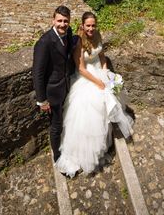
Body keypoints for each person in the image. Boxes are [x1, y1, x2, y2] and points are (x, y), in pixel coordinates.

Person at [54, 11, 134, 177]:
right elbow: (81, 68)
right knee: (91, 110)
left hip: (99, 72)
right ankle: (83, 153)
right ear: (82, 26)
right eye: (88, 25)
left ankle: (104, 142)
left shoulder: (97, 35)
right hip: (86, 77)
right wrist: (99, 82)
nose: (91, 28)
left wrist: (106, 74)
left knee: (107, 104)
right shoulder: (78, 42)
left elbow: (102, 57)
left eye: (93, 25)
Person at [33, 5, 74, 163]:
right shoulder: (44, 42)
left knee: (67, 120)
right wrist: (42, 100)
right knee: (56, 126)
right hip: (53, 92)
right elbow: (38, 73)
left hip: (67, 86)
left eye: (66, 21)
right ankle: (57, 157)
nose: (62, 24)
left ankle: (67, 145)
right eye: (59, 21)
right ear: (53, 20)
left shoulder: (68, 33)